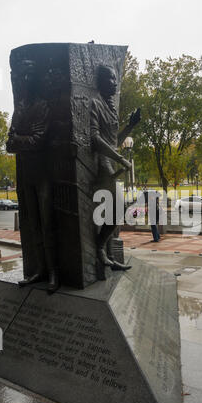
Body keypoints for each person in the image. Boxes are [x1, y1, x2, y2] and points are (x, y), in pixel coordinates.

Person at [6, 59, 59, 294]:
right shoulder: (19, 109)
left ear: (33, 79)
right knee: (34, 226)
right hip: (26, 177)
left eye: (27, 76)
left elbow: (38, 141)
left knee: (48, 226)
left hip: (42, 177)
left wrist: (19, 140)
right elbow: (8, 145)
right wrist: (19, 141)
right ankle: (39, 270)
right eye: (19, 77)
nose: (22, 80)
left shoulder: (42, 106)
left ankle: (55, 273)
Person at [91, 64, 140, 269]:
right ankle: (99, 249)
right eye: (110, 79)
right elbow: (95, 139)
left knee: (115, 211)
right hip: (101, 165)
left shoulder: (110, 108)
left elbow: (113, 142)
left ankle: (106, 254)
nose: (115, 82)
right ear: (101, 82)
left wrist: (130, 125)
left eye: (115, 78)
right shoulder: (95, 103)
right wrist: (120, 160)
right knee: (118, 209)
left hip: (110, 162)